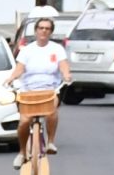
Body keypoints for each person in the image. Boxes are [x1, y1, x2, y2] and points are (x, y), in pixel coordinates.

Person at [4, 10, 71, 153]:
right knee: (24, 122)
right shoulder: (27, 50)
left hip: (49, 90)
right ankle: (22, 151)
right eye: (41, 28)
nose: (44, 31)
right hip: (28, 91)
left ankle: (50, 142)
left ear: (51, 32)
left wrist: (66, 75)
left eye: (47, 29)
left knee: (52, 112)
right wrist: (11, 78)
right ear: (36, 31)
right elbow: (19, 69)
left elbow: (63, 66)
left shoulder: (57, 49)